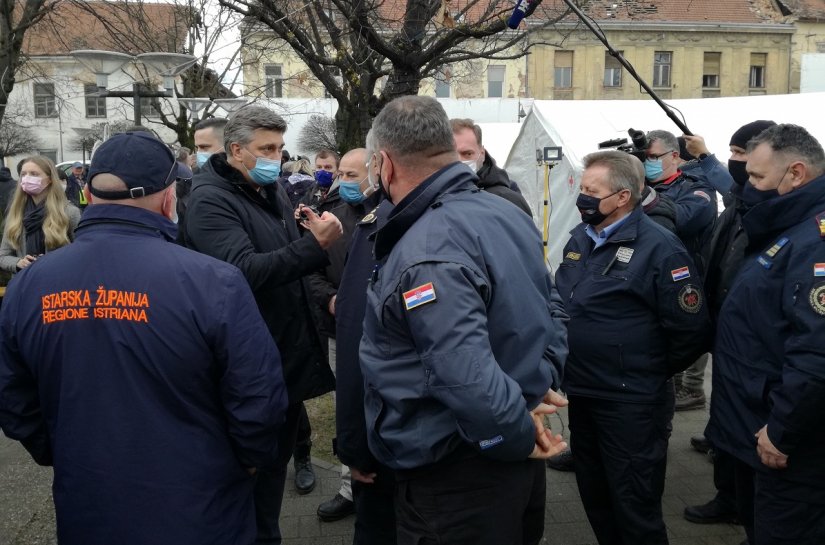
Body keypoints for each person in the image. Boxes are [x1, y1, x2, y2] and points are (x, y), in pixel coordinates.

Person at [0, 131, 288, 545]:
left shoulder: (31, 284)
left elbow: (13, 397)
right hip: (200, 507)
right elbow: (259, 398)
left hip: (88, 502)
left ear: (90, 194)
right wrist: (248, 461)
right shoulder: (214, 282)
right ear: (169, 197)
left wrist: (57, 450)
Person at [360, 96, 569, 545]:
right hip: (502, 443)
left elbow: (466, 377)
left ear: (384, 164)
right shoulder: (507, 213)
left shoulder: (428, 248)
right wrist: (541, 379)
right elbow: (552, 305)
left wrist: (513, 436)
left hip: (460, 473)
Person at [182, 104, 340, 544]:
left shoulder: (266, 190)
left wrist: (303, 234)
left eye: (279, 147)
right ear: (236, 150)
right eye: (266, 148)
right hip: (247, 369)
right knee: (249, 489)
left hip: (281, 360)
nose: (276, 156)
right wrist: (314, 247)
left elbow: (280, 260)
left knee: (270, 484)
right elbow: (242, 272)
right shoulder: (210, 199)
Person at [554, 150, 711, 545]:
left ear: (622, 197)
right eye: (582, 188)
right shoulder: (580, 238)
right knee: (596, 496)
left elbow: (690, 331)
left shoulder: (660, 248)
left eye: (592, 190)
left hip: (632, 404)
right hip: (584, 394)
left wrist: (642, 369)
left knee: (634, 506)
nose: (582, 197)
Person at [705, 124, 825, 545]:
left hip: (786, 445)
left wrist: (782, 431)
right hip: (753, 427)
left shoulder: (815, 242)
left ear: (795, 174)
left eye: (757, 177)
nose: (748, 186)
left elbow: (816, 354)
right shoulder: (786, 226)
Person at [681, 120, 777, 536]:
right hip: (725, 328)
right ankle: (728, 495)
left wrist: (705, 158)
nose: (738, 166)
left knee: (748, 426)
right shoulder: (741, 201)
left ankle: (744, 505)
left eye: (743, 157)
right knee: (726, 413)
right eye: (734, 155)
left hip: (753, 345)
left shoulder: (770, 209)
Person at [308, 147, 381, 523]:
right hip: (340, 333)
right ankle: (348, 486)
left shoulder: (391, 217)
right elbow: (311, 274)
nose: (345, 182)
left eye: (353, 175)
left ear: (376, 170)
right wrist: (332, 300)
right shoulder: (330, 220)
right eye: (342, 175)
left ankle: (385, 479)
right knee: (347, 408)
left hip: (383, 338)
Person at [0, 156, 80, 274]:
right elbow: (3, 256)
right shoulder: (16, 212)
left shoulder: (69, 212)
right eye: (23, 174)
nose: (27, 178)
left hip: (58, 284)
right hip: (24, 284)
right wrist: (18, 262)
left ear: (50, 179)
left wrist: (52, 261)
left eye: (34, 174)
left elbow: (81, 254)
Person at [450, 118, 531, 215]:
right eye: (452, 155)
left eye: (468, 154)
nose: (459, 161)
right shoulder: (434, 197)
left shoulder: (508, 200)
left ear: (482, 153)